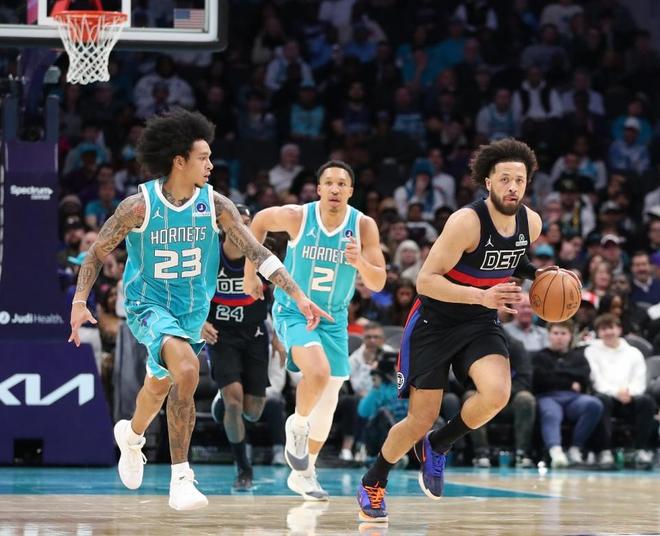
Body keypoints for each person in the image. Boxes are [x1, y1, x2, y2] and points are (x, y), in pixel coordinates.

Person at [68, 109, 330, 511]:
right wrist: (78, 301)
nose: (210, 165)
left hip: (191, 312)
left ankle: (131, 436)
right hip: (148, 304)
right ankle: (181, 478)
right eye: (203, 158)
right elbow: (96, 253)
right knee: (188, 370)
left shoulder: (217, 205)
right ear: (179, 161)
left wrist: (298, 295)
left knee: (159, 384)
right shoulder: (139, 207)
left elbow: (257, 252)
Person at [357, 138, 580, 523]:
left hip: (478, 320)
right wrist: (483, 296)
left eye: (520, 180)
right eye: (505, 179)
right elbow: (426, 281)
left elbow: (509, 258)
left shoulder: (531, 222)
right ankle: (374, 480)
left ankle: (438, 445)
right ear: (488, 182)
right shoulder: (466, 222)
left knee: (498, 393)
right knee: (419, 419)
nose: (513, 187)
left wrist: (537, 274)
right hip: (435, 322)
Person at [243, 160, 386, 501]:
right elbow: (258, 221)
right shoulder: (298, 216)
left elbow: (378, 282)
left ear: (351, 191)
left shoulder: (363, 226)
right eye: (329, 183)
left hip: (334, 318)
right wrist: (250, 273)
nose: (335, 189)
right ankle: (297, 424)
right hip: (294, 310)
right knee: (318, 373)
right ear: (319, 189)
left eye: (342, 184)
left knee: (329, 400)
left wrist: (359, 262)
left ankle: (304, 472)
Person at [200, 204, 281, 491]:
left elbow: (280, 295)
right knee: (234, 403)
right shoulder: (209, 255)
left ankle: (221, 402)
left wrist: (278, 335)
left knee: (253, 411)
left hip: (255, 333)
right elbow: (189, 289)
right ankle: (243, 469)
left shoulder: (261, 255)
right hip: (221, 336)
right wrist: (199, 321)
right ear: (223, 225)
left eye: (247, 222)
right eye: (237, 221)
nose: (243, 227)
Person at [584, 314, 657, 469]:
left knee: (647, 402)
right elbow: (596, 379)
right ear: (598, 332)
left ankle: (639, 449)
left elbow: (639, 378)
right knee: (600, 401)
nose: (608, 332)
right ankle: (604, 451)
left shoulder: (634, 352)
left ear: (619, 329)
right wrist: (615, 392)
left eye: (611, 328)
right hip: (606, 396)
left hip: (630, 396)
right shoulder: (591, 351)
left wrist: (630, 392)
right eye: (603, 329)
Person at [532, 320, 603, 468]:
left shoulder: (578, 356)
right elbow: (541, 380)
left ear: (570, 336)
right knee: (551, 413)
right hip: (548, 397)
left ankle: (575, 448)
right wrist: (570, 381)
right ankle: (555, 451)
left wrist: (558, 375)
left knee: (594, 405)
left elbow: (584, 376)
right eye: (556, 333)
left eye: (563, 333)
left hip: (573, 399)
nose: (559, 337)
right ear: (549, 335)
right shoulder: (540, 356)